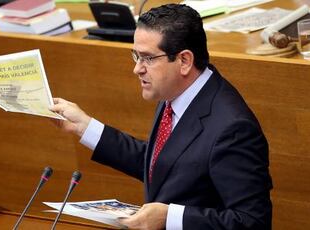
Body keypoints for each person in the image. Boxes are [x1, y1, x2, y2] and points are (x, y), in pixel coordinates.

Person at [50, 3, 272, 230]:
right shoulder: (177, 91)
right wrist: (85, 127)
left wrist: (170, 218)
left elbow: (252, 222)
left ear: (184, 61)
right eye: (136, 55)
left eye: (148, 58)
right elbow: (163, 162)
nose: (137, 69)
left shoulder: (233, 128)